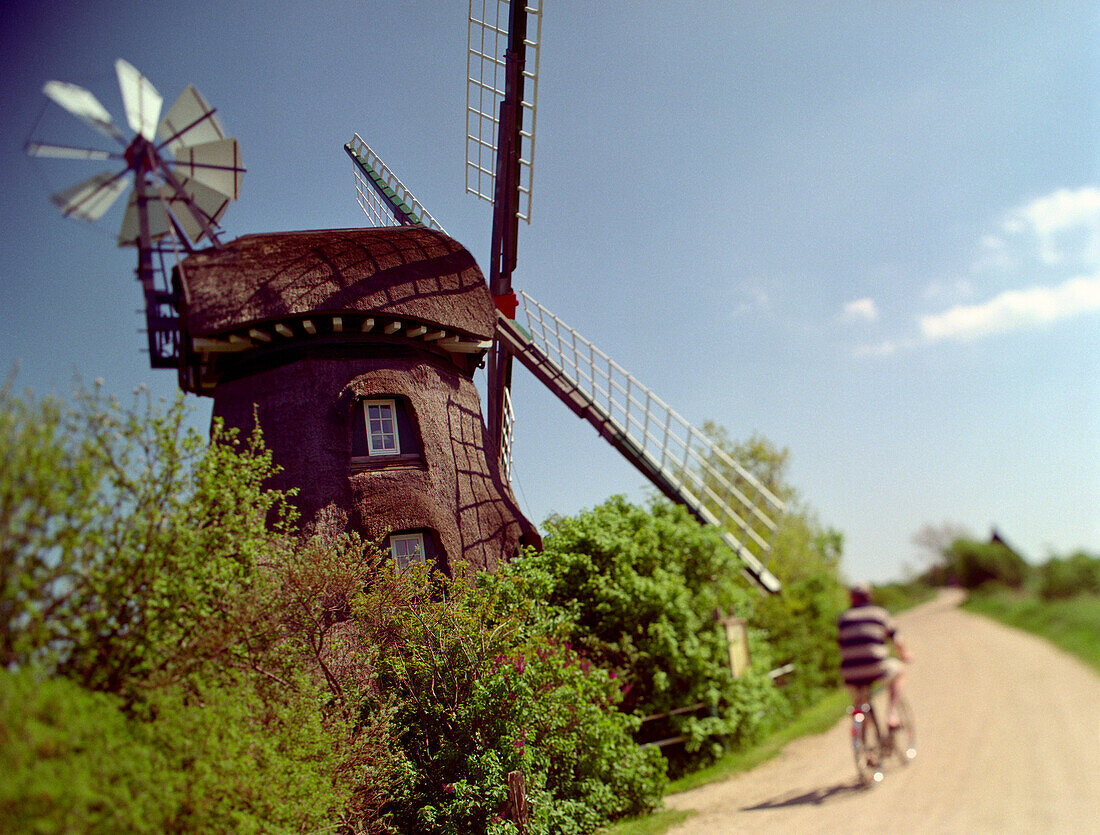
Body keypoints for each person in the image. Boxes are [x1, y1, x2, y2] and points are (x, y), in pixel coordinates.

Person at [837, 583, 912, 727]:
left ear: (851, 597)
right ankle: (892, 715)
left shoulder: (844, 619)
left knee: (859, 705)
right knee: (899, 671)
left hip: (849, 673)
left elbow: (842, 646)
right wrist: (904, 654)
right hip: (876, 667)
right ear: (869, 595)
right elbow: (897, 639)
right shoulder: (879, 614)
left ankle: (862, 734)